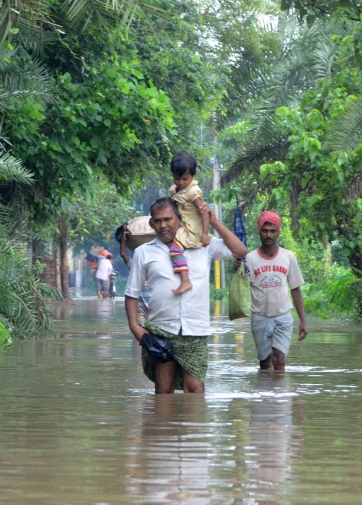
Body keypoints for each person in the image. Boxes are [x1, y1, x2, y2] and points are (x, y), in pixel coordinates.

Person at [124, 197, 247, 394]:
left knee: (195, 389)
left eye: (168, 219)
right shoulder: (143, 252)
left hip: (195, 330)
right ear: (152, 224)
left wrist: (214, 222)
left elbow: (240, 250)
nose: (163, 225)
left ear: (179, 219)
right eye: (158, 221)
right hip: (160, 330)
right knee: (164, 391)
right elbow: (132, 293)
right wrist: (135, 328)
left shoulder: (203, 244)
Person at [241, 211, 308, 371]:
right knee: (265, 364)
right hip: (260, 317)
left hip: (283, 316)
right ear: (259, 231)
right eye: (265, 231)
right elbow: (241, 288)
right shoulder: (249, 259)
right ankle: (265, 388)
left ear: (278, 232)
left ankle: (280, 388)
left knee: (279, 361)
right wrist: (238, 269)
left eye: (272, 231)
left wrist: (303, 321)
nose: (269, 235)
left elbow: (295, 289)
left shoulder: (288, 257)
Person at [167, 153, 210, 295]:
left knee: (174, 250)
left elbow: (204, 213)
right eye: (177, 178)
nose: (180, 182)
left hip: (192, 229)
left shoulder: (193, 192)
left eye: (185, 179)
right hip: (180, 225)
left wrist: (205, 233)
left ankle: (185, 281)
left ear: (193, 176)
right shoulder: (173, 190)